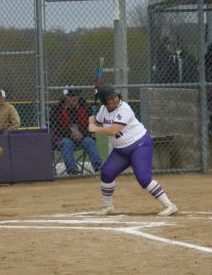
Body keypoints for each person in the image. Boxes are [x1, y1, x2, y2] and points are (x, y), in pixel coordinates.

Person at [88, 84, 177, 216]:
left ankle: (169, 205)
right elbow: (99, 121)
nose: (115, 100)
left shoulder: (124, 108)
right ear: (104, 101)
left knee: (143, 178)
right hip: (121, 150)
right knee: (106, 173)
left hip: (139, 145)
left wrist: (95, 128)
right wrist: (92, 120)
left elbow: (113, 130)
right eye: (110, 99)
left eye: (115, 97)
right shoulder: (103, 109)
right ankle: (107, 206)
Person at [49, 88, 103, 175]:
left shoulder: (85, 107)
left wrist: (82, 133)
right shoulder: (56, 109)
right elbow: (54, 127)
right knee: (67, 143)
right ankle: (72, 170)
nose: (74, 98)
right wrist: (70, 134)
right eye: (71, 95)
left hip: (82, 137)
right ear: (65, 97)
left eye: (76, 95)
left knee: (89, 141)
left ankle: (99, 166)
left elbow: (91, 125)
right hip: (64, 138)